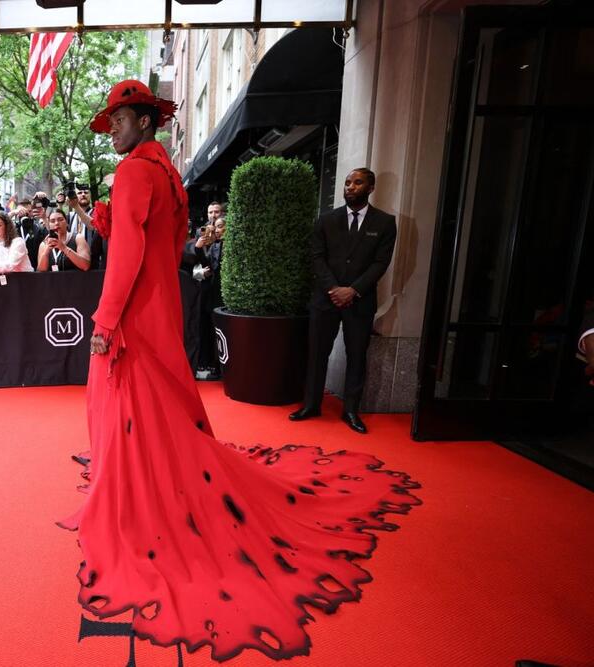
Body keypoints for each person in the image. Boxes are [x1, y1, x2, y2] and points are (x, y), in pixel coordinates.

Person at [59, 80, 420, 662]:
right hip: (161, 315)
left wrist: (104, 321)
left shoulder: (133, 174)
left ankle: (139, 500)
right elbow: (161, 247)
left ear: (145, 121)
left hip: (132, 319)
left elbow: (127, 258)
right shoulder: (168, 176)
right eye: (113, 121)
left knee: (131, 408)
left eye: (121, 119)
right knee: (159, 415)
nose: (114, 130)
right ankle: (151, 485)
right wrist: (105, 221)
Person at [289, 168, 398, 434]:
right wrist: (334, 289)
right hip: (325, 300)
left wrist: (353, 290)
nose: (350, 187)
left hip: (360, 302)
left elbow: (380, 263)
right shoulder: (326, 220)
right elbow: (317, 258)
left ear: (370, 187)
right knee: (317, 354)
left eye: (357, 182)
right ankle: (311, 405)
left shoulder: (384, 223)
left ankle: (351, 410)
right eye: (347, 183)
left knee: (356, 356)